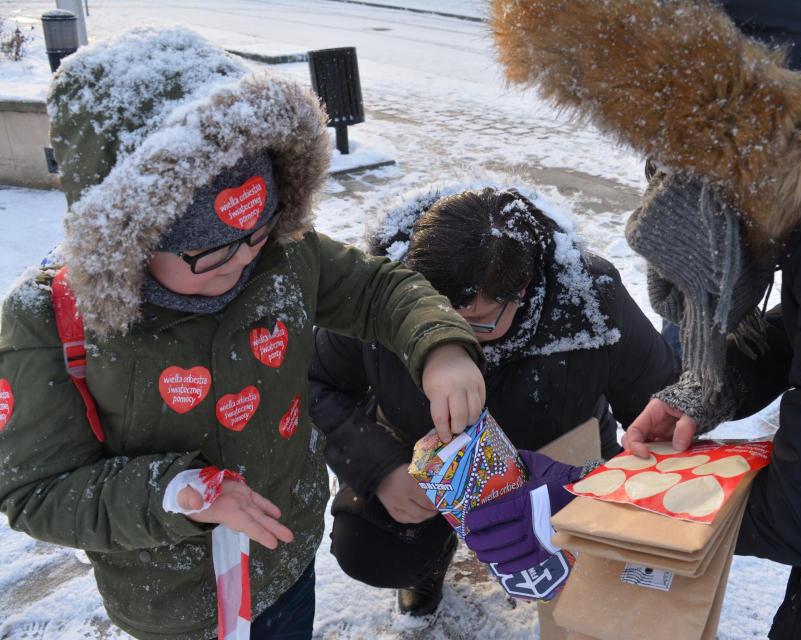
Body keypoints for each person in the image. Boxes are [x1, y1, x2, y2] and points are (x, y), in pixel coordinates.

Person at [479, 1, 801, 638]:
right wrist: (716, 384)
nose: (658, 156)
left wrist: (608, 503)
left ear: (714, 93)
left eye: (664, 127)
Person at [0, 29, 485, 640]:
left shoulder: (283, 252)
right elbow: (36, 491)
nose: (241, 261)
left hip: (284, 557)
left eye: (257, 234)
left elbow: (377, 290)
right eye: (209, 251)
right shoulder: (48, 320)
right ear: (131, 238)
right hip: (175, 602)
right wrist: (176, 492)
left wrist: (439, 345)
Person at [308, 184, 678, 615]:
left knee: (593, 586)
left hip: (551, 471)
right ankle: (430, 561)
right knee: (370, 552)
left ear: (522, 290)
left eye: (476, 323)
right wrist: (379, 468)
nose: (453, 339)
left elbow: (660, 409)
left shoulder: (590, 298)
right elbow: (315, 385)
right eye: (430, 319)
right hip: (421, 467)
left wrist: (599, 486)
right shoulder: (380, 293)